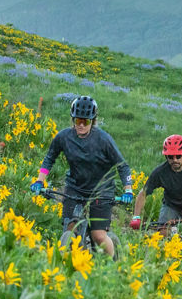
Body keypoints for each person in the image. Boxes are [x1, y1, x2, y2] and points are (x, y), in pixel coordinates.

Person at [30, 95, 133, 258]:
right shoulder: (63, 137)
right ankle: (72, 263)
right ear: (73, 120)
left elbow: (123, 166)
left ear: (93, 121)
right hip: (75, 187)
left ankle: (114, 267)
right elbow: (50, 158)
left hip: (101, 191)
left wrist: (128, 190)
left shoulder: (104, 140)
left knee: (98, 235)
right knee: (69, 228)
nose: (82, 125)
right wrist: (39, 181)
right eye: (78, 121)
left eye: (86, 121)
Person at [129, 134, 182, 252]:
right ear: (166, 157)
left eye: (178, 156)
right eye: (170, 157)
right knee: (162, 234)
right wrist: (136, 216)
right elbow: (143, 194)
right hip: (171, 206)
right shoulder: (160, 172)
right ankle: (170, 251)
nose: (174, 160)